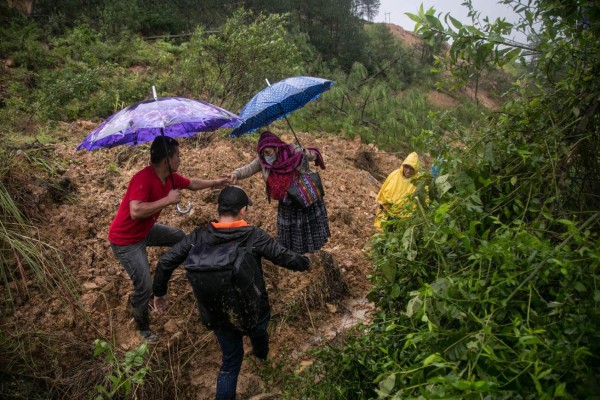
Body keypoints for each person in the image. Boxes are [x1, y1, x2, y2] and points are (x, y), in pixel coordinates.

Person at [152, 185, 310, 400]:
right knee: (259, 332)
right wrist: (307, 263)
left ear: (218, 208)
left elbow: (165, 262)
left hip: (216, 311)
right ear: (243, 210)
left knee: (230, 361)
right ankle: (261, 358)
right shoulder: (253, 236)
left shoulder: (198, 236)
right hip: (253, 308)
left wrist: (159, 292)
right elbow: (284, 257)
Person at [108, 135, 228, 343]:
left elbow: (191, 184)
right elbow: (135, 210)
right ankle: (142, 326)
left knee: (180, 238)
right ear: (166, 160)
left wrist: (217, 182)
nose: (180, 160)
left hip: (145, 231)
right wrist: (167, 200)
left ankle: (190, 272)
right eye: (178, 156)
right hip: (126, 240)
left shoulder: (170, 177)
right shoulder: (142, 178)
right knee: (144, 284)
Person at [226, 131, 330, 254]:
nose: (266, 156)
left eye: (268, 152)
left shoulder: (293, 151)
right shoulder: (262, 161)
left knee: (307, 226)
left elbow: (314, 156)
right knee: (291, 230)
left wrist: (306, 153)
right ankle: (294, 255)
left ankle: (313, 253)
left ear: (276, 147)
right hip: (286, 201)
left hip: (302, 196)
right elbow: (248, 169)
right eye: (263, 153)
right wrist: (235, 174)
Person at [374, 151, 421, 231]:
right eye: (407, 167)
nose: (408, 171)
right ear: (403, 166)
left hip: (403, 219)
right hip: (387, 212)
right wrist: (381, 206)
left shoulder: (417, 182)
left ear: (415, 170)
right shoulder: (394, 175)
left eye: (411, 169)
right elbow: (383, 191)